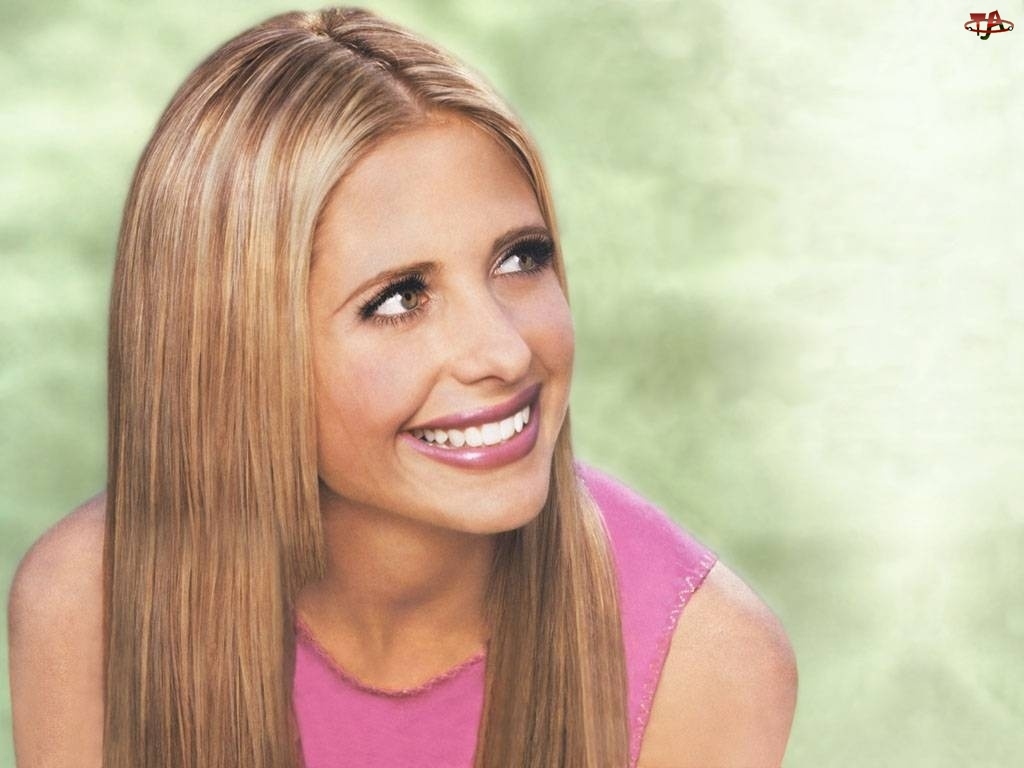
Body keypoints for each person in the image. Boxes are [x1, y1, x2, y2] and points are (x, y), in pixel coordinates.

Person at [7, 7, 797, 767]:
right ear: (230, 349)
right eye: (398, 299)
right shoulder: (88, 606)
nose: (504, 351)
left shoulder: (704, 661)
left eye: (519, 258)